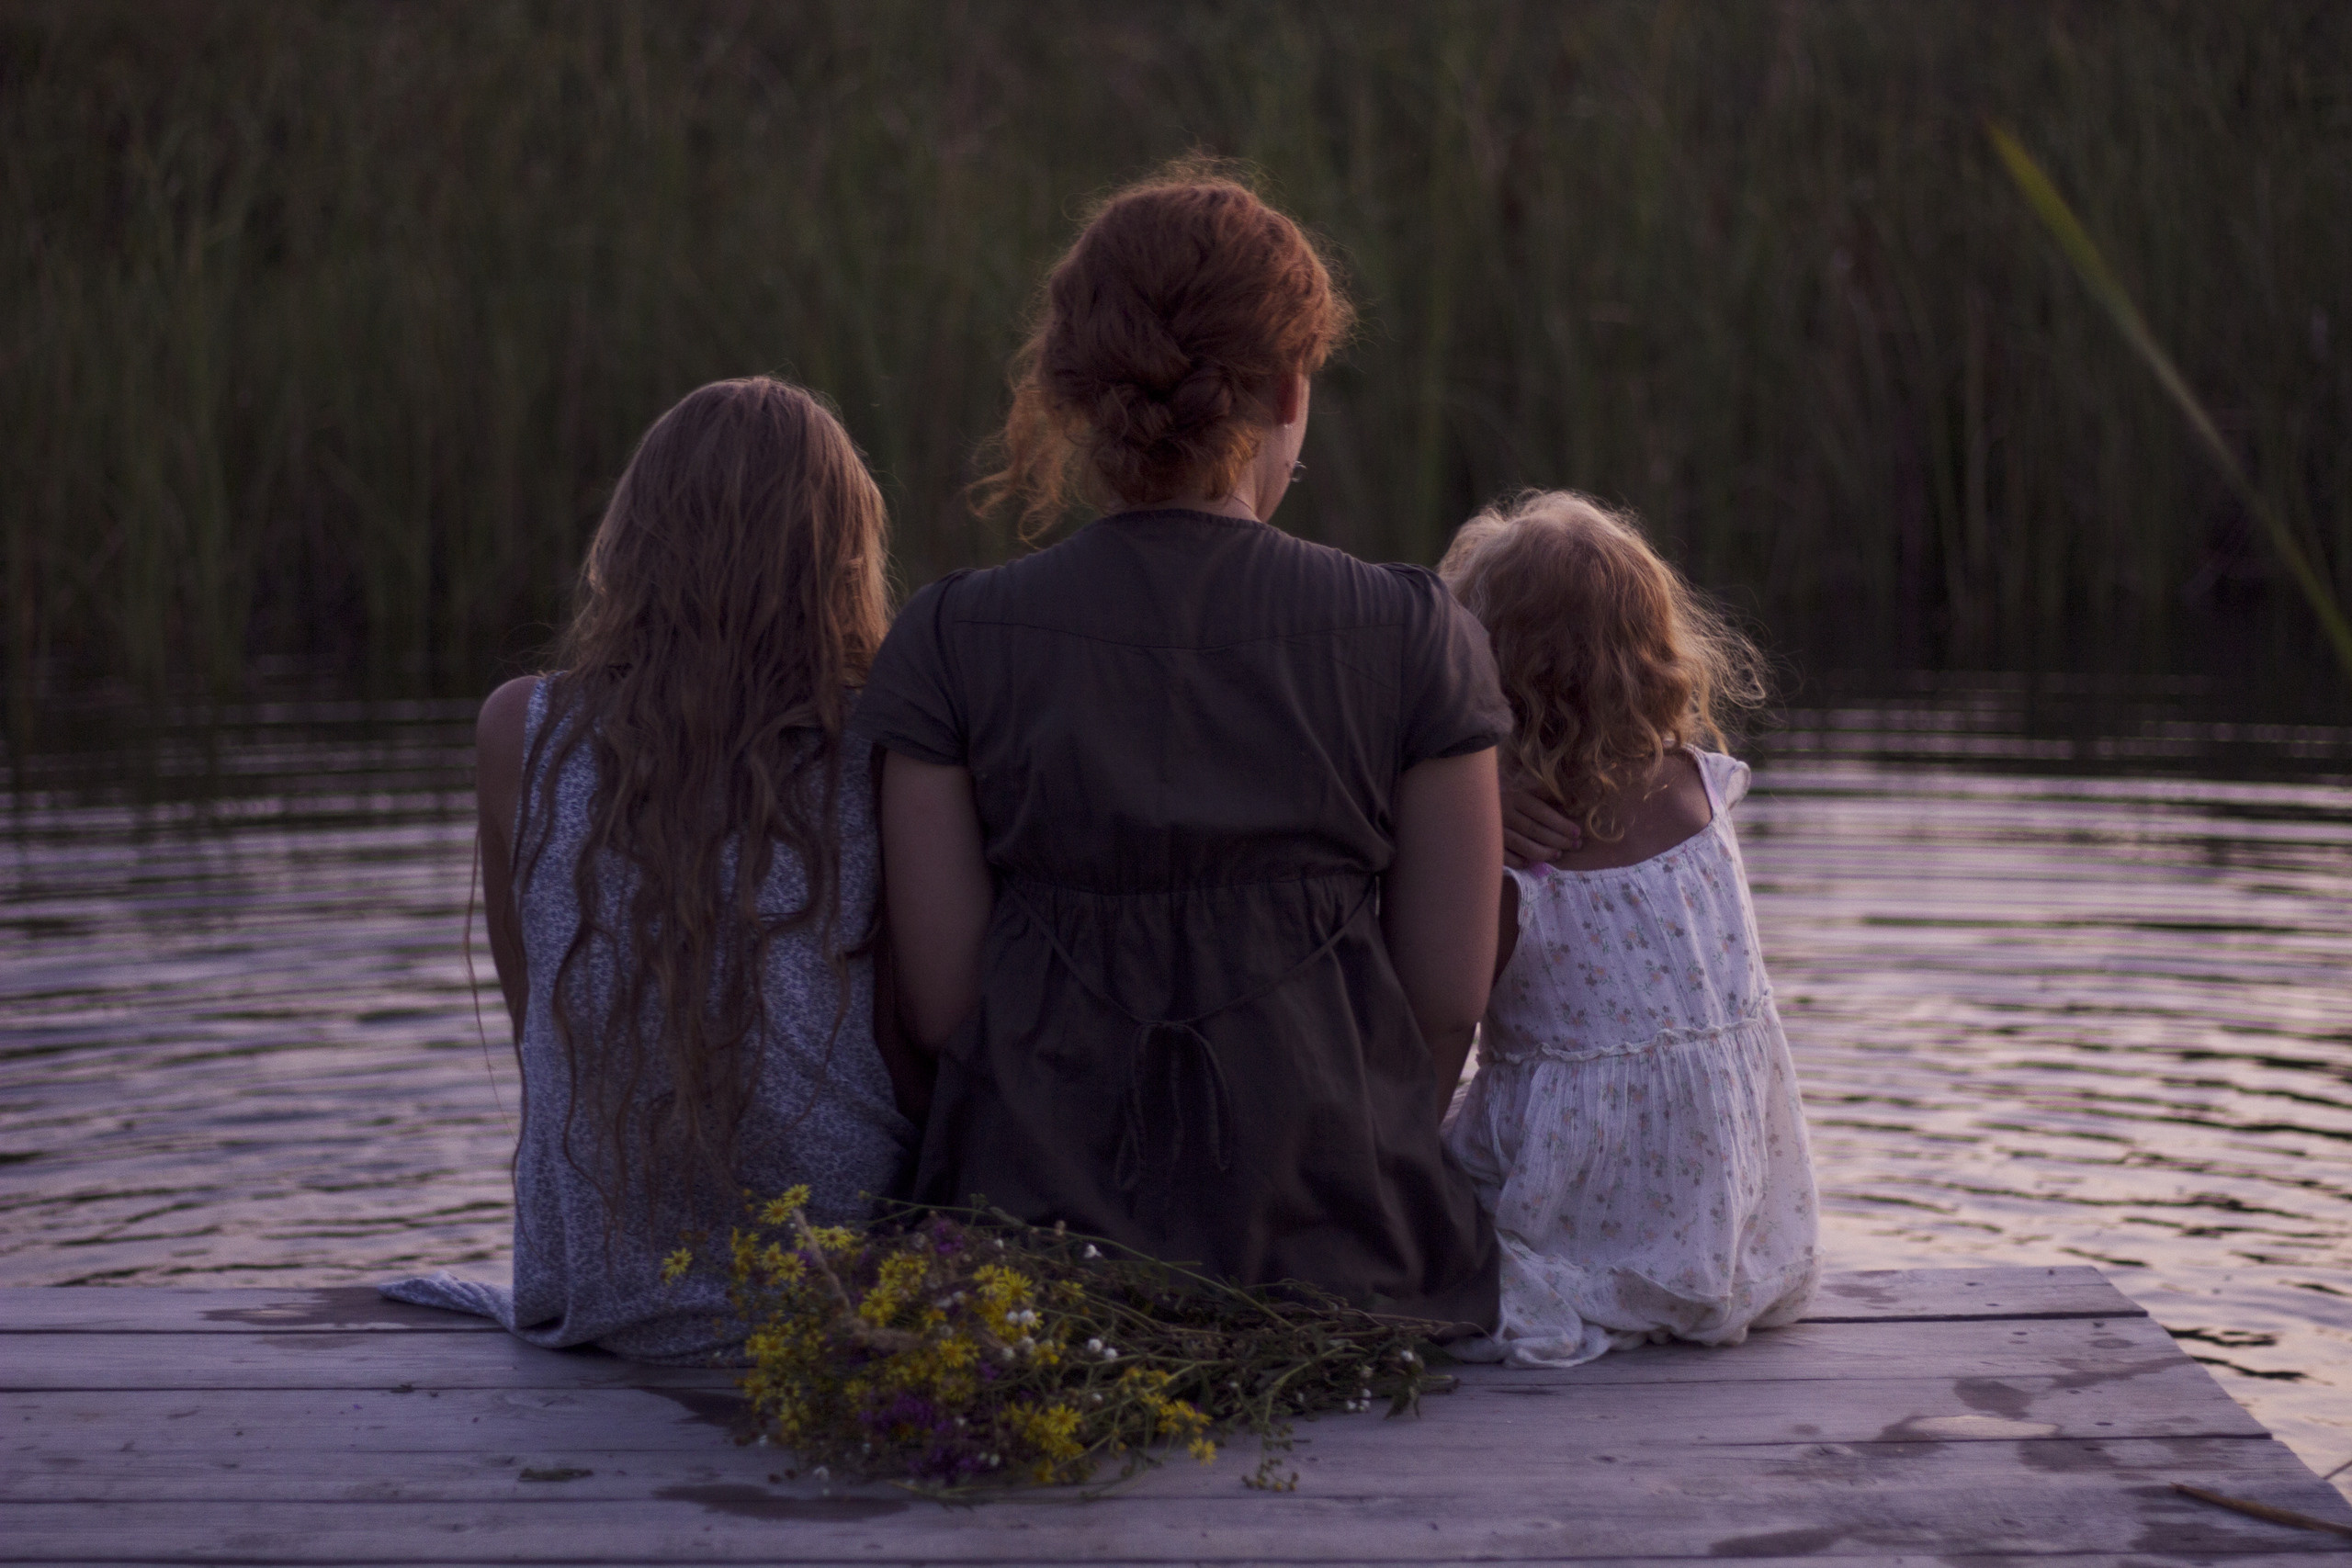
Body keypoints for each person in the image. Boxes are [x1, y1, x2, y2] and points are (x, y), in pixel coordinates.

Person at [858, 167, 1509, 1327]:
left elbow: (946, 1005)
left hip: (1029, 1262)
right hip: (1347, 1265)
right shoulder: (1419, 635)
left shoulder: (948, 640)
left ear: (1072, 393)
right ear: (1287, 385)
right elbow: (1447, 998)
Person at [380, 378, 922, 1362]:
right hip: (834, 1288)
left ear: (633, 543)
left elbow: (534, 1016)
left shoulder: (523, 729)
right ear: (844, 553)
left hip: (589, 1290)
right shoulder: (890, 747)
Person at [1434, 490, 1818, 1366]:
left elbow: (1446, 1021)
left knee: (1434, 1182)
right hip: (1732, 1230)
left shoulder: (1512, 856)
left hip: (1581, 1212)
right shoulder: (1705, 787)